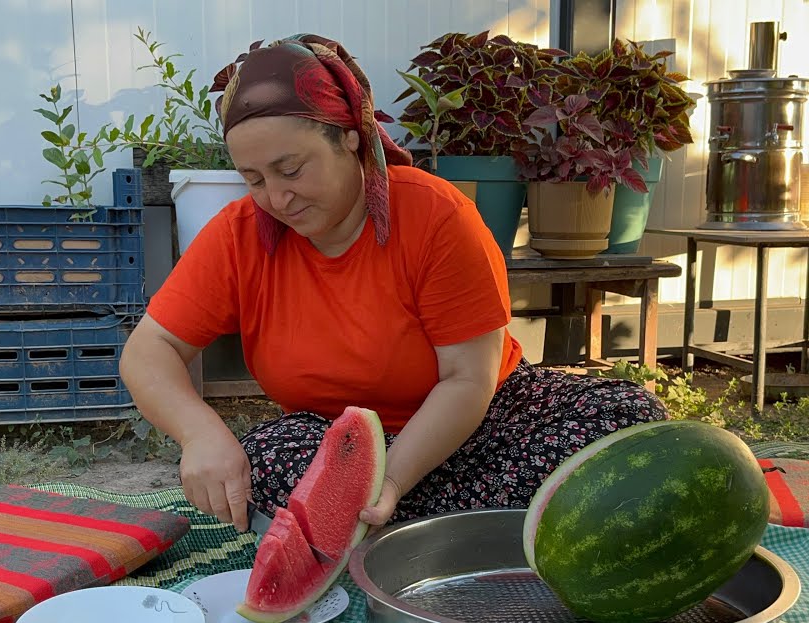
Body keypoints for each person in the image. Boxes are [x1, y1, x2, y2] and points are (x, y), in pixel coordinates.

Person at [119, 34, 666, 534]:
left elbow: (466, 380)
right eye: (254, 179)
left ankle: (387, 523)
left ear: (351, 141)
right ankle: (494, 523)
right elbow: (149, 351)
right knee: (268, 454)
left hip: (479, 422)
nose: (276, 199)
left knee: (628, 420)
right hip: (338, 441)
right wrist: (199, 433)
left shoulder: (436, 215)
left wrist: (394, 482)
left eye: (291, 170)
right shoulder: (239, 235)